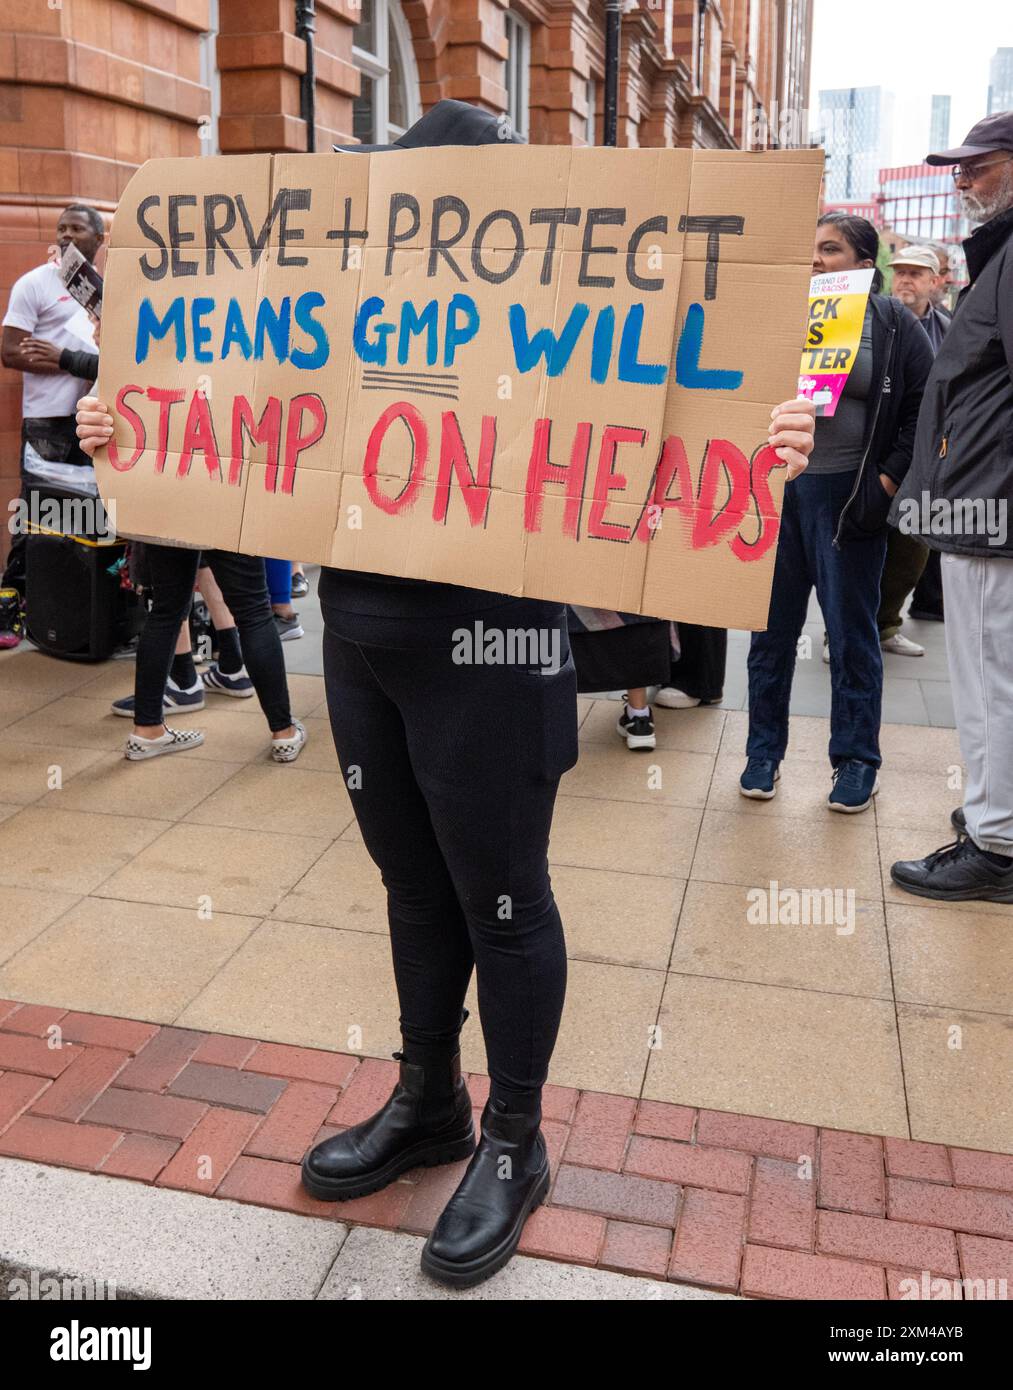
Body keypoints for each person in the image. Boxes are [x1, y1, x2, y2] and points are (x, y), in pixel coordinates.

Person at [77, 99, 816, 1287]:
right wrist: (122, 425)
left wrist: (771, 434)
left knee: (502, 900)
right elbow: (213, 402)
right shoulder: (352, 310)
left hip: (493, 650)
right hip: (362, 646)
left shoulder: (554, 315)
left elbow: (680, 417)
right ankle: (431, 1100)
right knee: (411, 886)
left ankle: (515, 1140)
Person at [741, 213, 934, 811]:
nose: (816, 259)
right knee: (770, 634)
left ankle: (855, 761)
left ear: (862, 262)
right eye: (810, 249)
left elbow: (924, 410)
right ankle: (762, 754)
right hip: (777, 496)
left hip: (849, 499)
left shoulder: (893, 325)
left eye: (829, 249)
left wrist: (882, 483)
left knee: (853, 636)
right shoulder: (779, 314)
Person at [889, 112, 1013, 903]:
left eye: (979, 165)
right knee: (990, 674)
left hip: (992, 513)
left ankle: (995, 845)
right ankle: (993, 815)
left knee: (988, 678)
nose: (962, 179)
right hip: (982, 506)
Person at [0, 205, 104, 646]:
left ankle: (75, 609)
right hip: (45, 422)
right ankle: (10, 607)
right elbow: (9, 351)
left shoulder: (105, 291)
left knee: (85, 517)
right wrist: (61, 365)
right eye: (61, 228)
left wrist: (68, 359)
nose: (65, 235)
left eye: (76, 229)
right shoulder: (34, 283)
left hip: (93, 422)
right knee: (34, 514)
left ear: (98, 239)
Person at [877, 245, 952, 657]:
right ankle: (846, 633)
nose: (905, 279)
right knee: (864, 549)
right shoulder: (878, 320)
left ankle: (886, 624)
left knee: (912, 552)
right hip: (880, 454)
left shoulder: (950, 326)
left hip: (929, 458)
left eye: (916, 273)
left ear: (935, 281)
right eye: (900, 271)